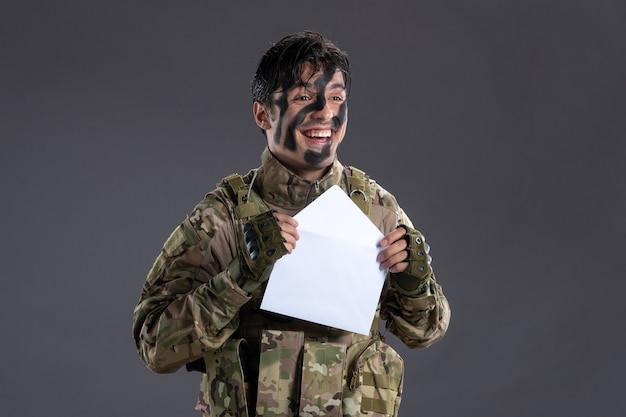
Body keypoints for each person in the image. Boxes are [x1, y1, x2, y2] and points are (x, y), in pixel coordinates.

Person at [132, 30, 450, 417]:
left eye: (336, 98)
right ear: (263, 114)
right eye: (304, 97)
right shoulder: (223, 217)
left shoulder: (377, 209)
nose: (325, 113)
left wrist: (414, 285)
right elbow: (154, 348)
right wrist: (238, 279)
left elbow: (425, 333)